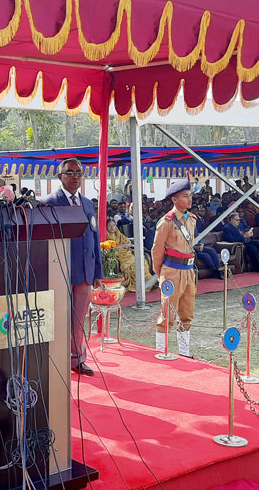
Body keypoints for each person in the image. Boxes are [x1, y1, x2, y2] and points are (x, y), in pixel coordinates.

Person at [39, 157, 101, 376]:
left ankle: (77, 359)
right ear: (60, 176)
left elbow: (94, 237)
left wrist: (98, 272)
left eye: (79, 173)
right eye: (70, 173)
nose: (75, 177)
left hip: (85, 271)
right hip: (59, 271)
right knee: (56, 317)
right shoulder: (48, 203)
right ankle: (55, 360)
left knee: (78, 319)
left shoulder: (86, 203)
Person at [151, 179, 198, 357]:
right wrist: (161, 273)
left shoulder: (192, 219)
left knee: (186, 313)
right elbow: (157, 250)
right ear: (175, 199)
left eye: (190, 195)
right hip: (171, 271)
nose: (189, 199)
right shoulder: (167, 222)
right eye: (185, 196)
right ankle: (161, 351)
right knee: (167, 313)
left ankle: (184, 353)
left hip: (188, 271)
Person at [104, 219, 153, 292]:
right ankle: (135, 283)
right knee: (131, 265)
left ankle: (146, 282)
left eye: (113, 225)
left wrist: (127, 245)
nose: (112, 227)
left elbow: (128, 242)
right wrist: (119, 246)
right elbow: (106, 246)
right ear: (106, 226)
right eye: (110, 225)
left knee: (142, 262)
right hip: (116, 254)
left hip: (126, 252)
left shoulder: (118, 234)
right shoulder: (105, 235)